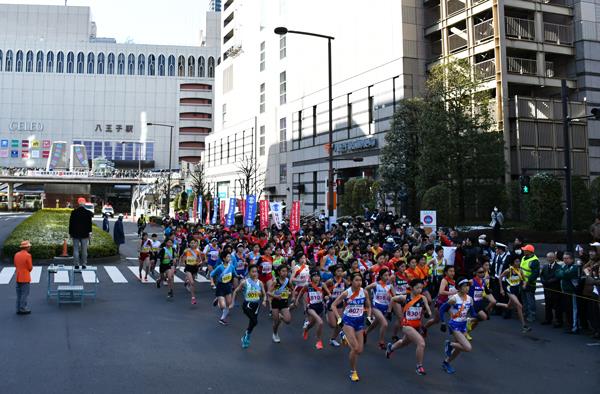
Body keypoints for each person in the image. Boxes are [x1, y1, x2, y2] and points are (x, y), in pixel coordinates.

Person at [386, 279, 432, 376]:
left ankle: (391, 348)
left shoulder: (423, 298)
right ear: (411, 288)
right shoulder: (405, 297)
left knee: (404, 342)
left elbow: (428, 309)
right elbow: (393, 299)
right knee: (421, 343)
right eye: (417, 288)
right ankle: (419, 366)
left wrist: (428, 313)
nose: (420, 290)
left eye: (421, 288)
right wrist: (389, 311)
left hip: (417, 326)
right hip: (407, 325)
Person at [331, 272, 371, 382]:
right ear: (351, 281)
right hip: (348, 321)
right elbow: (333, 305)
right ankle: (353, 372)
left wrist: (369, 316)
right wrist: (339, 318)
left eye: (360, 280)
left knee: (360, 350)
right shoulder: (346, 293)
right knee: (355, 348)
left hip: (360, 321)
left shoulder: (365, 292)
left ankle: (344, 336)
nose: (359, 283)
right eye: (356, 280)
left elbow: (368, 306)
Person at [439, 279, 479, 374]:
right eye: (465, 286)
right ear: (459, 288)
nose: (467, 288)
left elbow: (473, 313)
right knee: (467, 347)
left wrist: (477, 316)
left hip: (463, 325)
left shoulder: (470, 299)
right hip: (454, 325)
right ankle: (450, 344)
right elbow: (441, 309)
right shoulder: (454, 299)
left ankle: (446, 362)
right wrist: (443, 322)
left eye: (468, 286)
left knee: (459, 348)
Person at [231, 264, 267, 349]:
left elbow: (264, 294)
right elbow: (235, 291)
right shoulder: (244, 282)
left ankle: (246, 336)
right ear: (249, 272)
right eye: (253, 271)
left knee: (252, 322)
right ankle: (247, 336)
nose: (255, 273)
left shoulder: (260, 283)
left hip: (256, 305)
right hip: (247, 305)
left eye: (256, 271)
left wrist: (264, 300)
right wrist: (233, 302)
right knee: (254, 321)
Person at [499, 257, 531, 333]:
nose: (518, 263)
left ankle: (496, 303)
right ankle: (524, 326)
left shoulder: (520, 271)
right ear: (513, 262)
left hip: (516, 290)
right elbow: (500, 277)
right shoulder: (508, 270)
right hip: (509, 289)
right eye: (516, 261)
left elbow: (524, 279)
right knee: (519, 305)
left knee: (508, 306)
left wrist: (524, 284)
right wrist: (501, 289)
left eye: (519, 261)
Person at [555, 252, 581, 334]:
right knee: (567, 310)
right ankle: (569, 325)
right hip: (565, 291)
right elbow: (557, 273)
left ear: (572, 259)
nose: (564, 260)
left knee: (573, 310)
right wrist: (562, 273)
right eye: (564, 258)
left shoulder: (575, 267)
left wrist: (562, 273)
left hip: (572, 292)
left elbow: (565, 275)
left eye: (567, 258)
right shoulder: (564, 266)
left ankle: (574, 327)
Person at [210, 251, 237, 325]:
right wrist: (212, 282)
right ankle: (218, 299)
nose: (230, 258)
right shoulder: (219, 267)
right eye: (228, 257)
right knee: (222, 306)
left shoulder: (231, 266)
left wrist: (240, 277)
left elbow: (235, 274)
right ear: (224, 258)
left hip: (228, 286)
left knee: (229, 304)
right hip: (220, 286)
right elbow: (212, 274)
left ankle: (222, 319)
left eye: (230, 256)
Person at [269, 265, 294, 343]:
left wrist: (292, 296)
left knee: (288, 320)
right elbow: (268, 292)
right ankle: (275, 334)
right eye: (283, 271)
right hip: (275, 302)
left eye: (286, 271)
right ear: (279, 272)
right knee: (276, 322)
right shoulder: (275, 281)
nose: (285, 273)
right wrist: (276, 296)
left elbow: (292, 289)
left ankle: (280, 316)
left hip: (284, 302)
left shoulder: (288, 281)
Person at [68, 197, 93, 269]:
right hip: (85, 234)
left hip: (75, 234)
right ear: (84, 203)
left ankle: (76, 264)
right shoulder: (88, 213)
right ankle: (84, 264)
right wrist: (90, 233)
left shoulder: (73, 212)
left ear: (78, 203)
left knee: (76, 249)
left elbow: (71, 224)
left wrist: (70, 233)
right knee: (84, 250)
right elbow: (89, 224)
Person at [540, 252, 563, 327]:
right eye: (548, 257)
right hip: (547, 289)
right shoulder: (545, 266)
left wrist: (548, 282)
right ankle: (548, 319)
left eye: (551, 257)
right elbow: (542, 275)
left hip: (555, 289)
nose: (549, 259)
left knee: (557, 306)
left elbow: (558, 277)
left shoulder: (559, 267)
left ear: (554, 258)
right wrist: (543, 281)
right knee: (548, 305)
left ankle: (558, 321)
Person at [520, 244, 540, 323]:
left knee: (530, 300)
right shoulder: (524, 257)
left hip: (530, 284)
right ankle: (526, 313)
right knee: (524, 299)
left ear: (529, 251)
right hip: (522, 282)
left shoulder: (534, 261)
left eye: (524, 250)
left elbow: (535, 274)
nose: (523, 250)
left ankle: (532, 315)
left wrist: (527, 282)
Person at [180, 239, 202, 305]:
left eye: (194, 243)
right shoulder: (187, 251)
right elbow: (182, 257)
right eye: (191, 243)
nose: (192, 244)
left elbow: (200, 260)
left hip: (195, 267)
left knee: (192, 280)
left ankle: (187, 282)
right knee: (192, 283)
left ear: (196, 244)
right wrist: (183, 262)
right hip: (188, 267)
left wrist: (198, 263)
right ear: (189, 244)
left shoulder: (198, 251)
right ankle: (193, 298)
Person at [14, 240, 33, 315]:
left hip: (18, 277)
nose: (30, 248)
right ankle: (23, 308)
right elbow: (30, 267)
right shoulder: (28, 255)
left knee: (19, 294)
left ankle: (18, 308)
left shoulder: (16, 254)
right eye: (29, 246)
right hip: (25, 277)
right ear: (26, 247)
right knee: (24, 294)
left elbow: (15, 265)